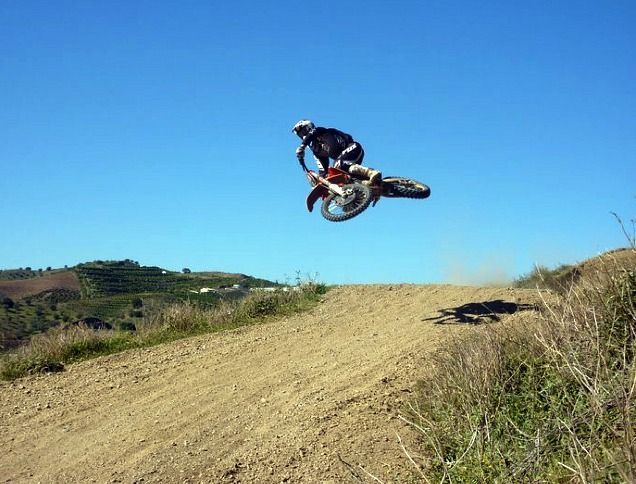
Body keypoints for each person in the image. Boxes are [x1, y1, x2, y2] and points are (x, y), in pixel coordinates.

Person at [292, 119, 382, 185]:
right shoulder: (317, 152)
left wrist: (302, 146)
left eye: (302, 131)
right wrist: (320, 181)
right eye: (300, 135)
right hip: (346, 159)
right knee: (340, 175)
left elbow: (313, 133)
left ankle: (372, 172)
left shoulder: (320, 131)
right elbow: (323, 170)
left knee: (337, 165)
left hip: (353, 147)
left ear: (308, 127)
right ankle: (371, 184)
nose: (302, 135)